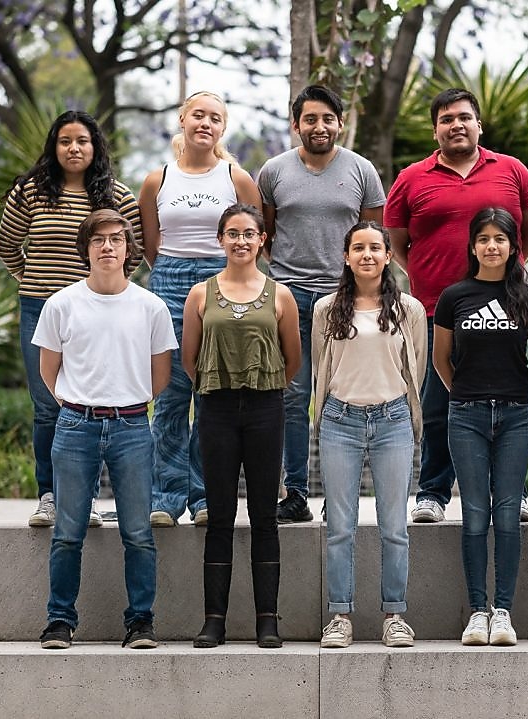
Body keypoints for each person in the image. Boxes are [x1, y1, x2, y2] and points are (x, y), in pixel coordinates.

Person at [384, 87, 528, 524]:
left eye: (463, 117)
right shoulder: (412, 178)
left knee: (509, 401)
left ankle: (512, 492)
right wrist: (425, 274)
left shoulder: (511, 170)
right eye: (446, 119)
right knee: (440, 403)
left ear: (478, 124)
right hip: (437, 306)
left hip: (505, 306)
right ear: (436, 130)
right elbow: (397, 242)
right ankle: (433, 493)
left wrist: (507, 269)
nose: (456, 125)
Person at [33, 209, 176, 650]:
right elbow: (48, 371)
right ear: (87, 249)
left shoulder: (150, 306)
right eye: (99, 240)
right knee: (68, 532)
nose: (108, 247)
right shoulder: (62, 304)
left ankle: (140, 622)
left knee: (138, 532)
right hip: (76, 425)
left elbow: (160, 376)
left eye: (116, 238)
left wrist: (126, 401)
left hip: (132, 425)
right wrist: (79, 406)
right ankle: (60, 620)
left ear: (129, 248)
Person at [0, 110, 142, 528]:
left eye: (82, 140)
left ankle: (87, 499)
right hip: (40, 308)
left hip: (97, 315)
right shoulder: (30, 192)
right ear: (53, 147)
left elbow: (131, 253)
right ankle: (49, 496)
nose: (74, 148)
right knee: (47, 406)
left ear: (95, 147)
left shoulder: (116, 196)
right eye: (65, 141)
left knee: (90, 402)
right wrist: (35, 279)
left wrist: (103, 290)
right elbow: (8, 245)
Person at [257, 85, 387, 524]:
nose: (319, 127)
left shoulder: (362, 170)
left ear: (340, 123)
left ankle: (340, 494)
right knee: (293, 398)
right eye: (310, 119)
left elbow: (373, 240)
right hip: (289, 297)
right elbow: (266, 234)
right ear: (296, 125)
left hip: (343, 299)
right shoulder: (274, 171)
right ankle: (295, 493)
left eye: (327, 118)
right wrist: (284, 281)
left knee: (339, 396)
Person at [140, 91, 262, 528]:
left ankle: (206, 496)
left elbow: (251, 237)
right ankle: (165, 498)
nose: (205, 123)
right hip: (169, 281)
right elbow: (151, 246)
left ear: (221, 128)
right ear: (183, 120)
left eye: (215, 118)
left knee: (213, 395)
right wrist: (175, 277)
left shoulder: (236, 177)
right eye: (198, 115)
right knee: (171, 396)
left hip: (221, 282)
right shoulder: (158, 179)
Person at [183, 204, 301, 649]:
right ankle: (214, 620)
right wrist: (222, 387)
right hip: (215, 409)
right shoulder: (201, 294)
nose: (241, 241)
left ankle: (266, 621)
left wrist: (260, 388)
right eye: (232, 233)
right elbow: (188, 359)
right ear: (220, 240)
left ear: (262, 240)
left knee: (264, 516)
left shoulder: (280, 295)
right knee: (220, 516)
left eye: (249, 234)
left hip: (265, 409)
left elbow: (293, 360)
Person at [434, 208, 528, 647]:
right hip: (467, 415)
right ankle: (477, 612)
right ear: (473, 246)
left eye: (500, 239)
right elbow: (442, 359)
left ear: (513, 246)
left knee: (507, 515)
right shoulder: (454, 296)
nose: (492, 246)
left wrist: (520, 393)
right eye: (484, 239)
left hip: (517, 415)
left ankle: (503, 612)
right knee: (475, 514)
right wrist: (464, 393)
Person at [314, 222, 427, 650]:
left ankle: (394, 615)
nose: (367, 255)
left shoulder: (409, 310)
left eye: (375, 248)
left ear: (387, 255)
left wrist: (403, 413)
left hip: (392, 420)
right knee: (340, 525)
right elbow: (321, 366)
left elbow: (414, 369)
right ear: (346, 256)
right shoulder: (327, 309)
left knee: (394, 525)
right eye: (358, 248)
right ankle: (340, 615)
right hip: (340, 420)